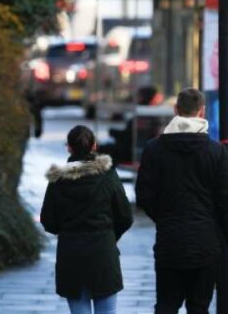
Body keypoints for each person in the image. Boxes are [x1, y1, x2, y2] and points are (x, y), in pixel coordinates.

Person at [135, 88, 228, 314]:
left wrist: (164, 216)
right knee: (198, 307)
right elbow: (227, 202)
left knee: (166, 304)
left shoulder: (154, 149)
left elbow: (144, 195)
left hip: (169, 241)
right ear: (202, 112)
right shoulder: (216, 151)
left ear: (176, 110)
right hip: (205, 243)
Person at [41, 125, 134, 314]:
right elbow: (125, 215)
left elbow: (48, 220)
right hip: (103, 252)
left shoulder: (58, 181)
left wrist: (66, 231)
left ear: (69, 147)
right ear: (94, 146)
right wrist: (110, 236)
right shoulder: (107, 175)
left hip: (71, 254)